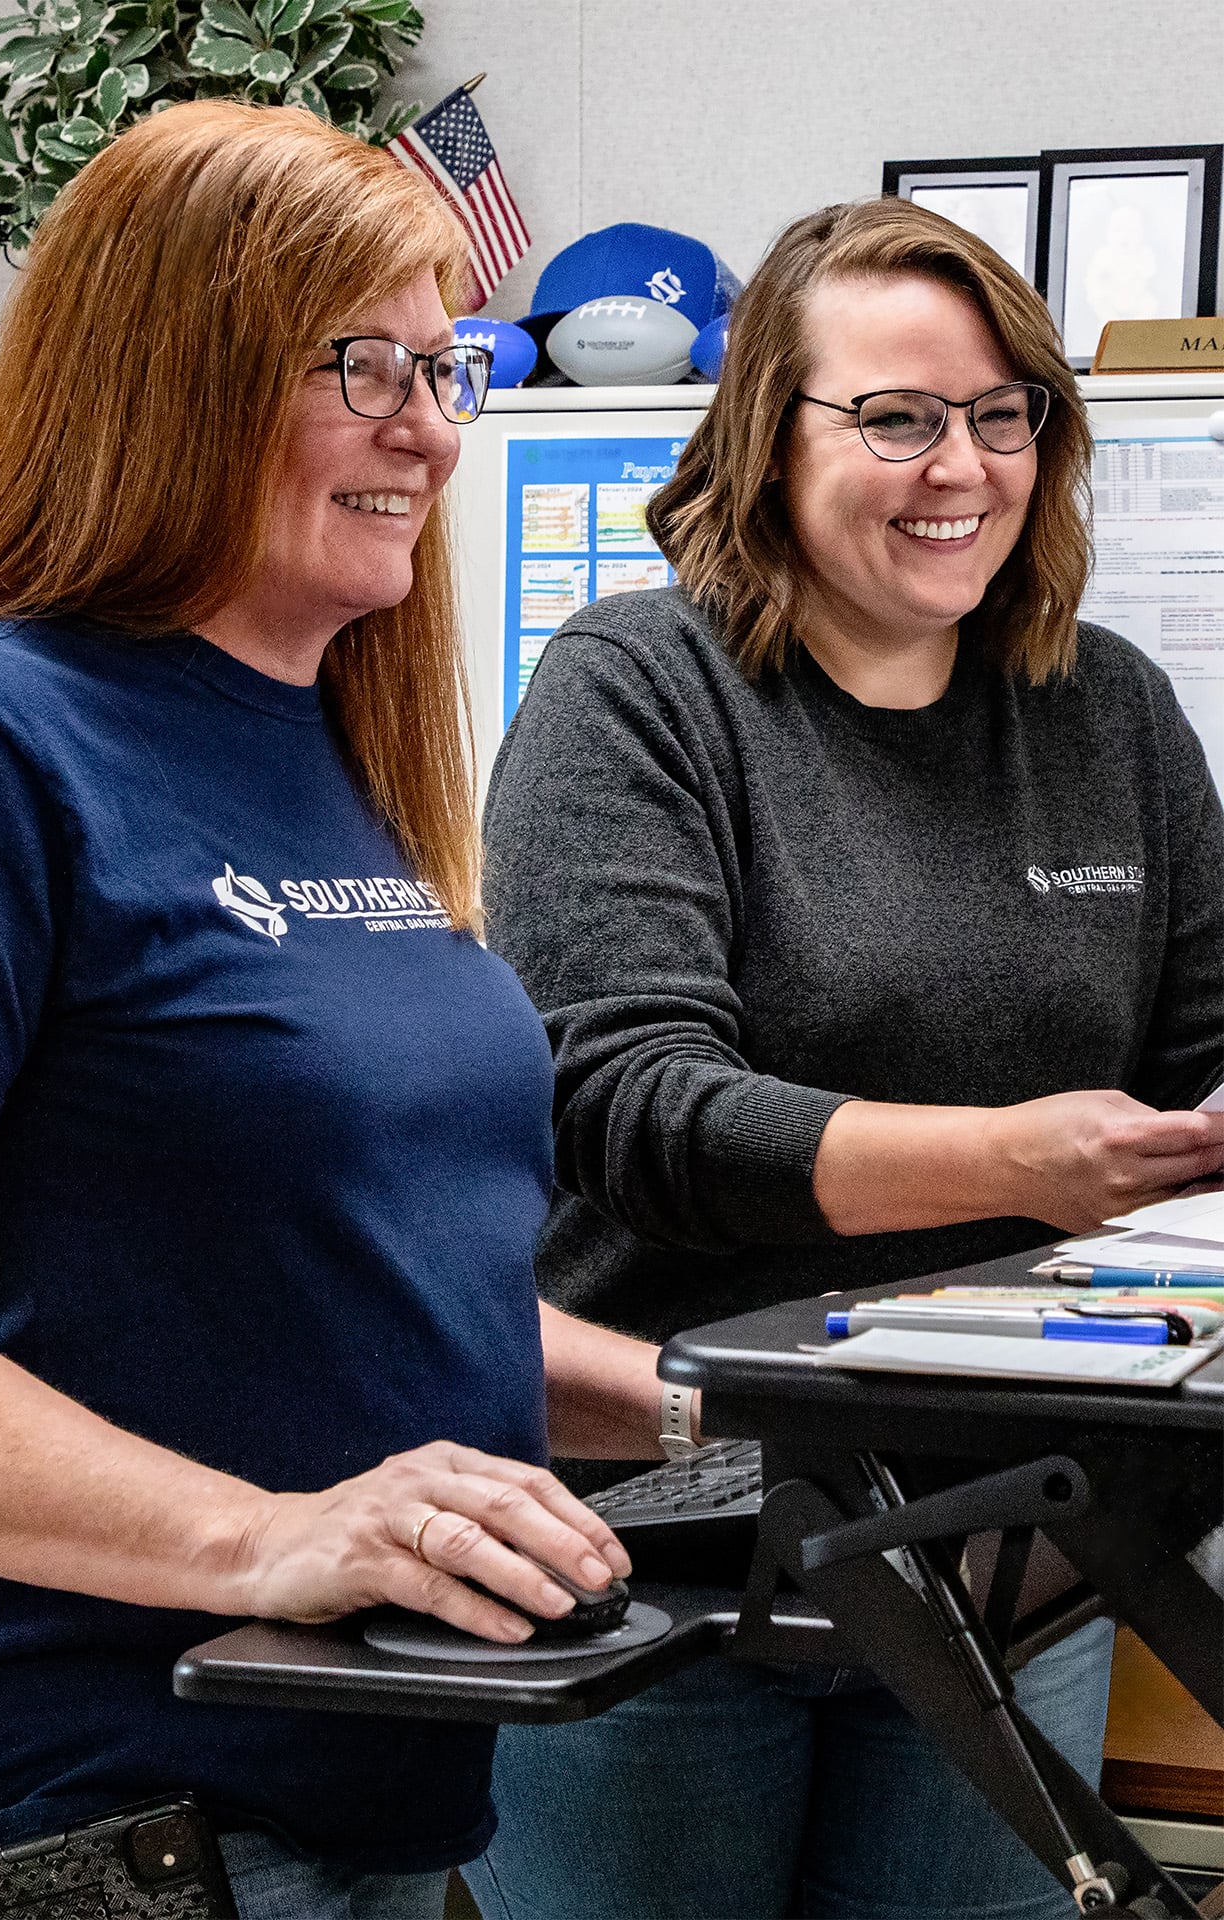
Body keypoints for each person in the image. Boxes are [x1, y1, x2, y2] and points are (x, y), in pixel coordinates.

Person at [0, 102, 676, 1920]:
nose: (430, 429)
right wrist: (269, 1538)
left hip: (366, 1789)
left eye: (450, 370)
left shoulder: (339, 748)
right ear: (166, 376)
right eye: (368, 366)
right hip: (93, 1811)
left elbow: (364, 1283)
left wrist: (733, 1414)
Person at [463, 198, 1224, 1920]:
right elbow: (632, 1111)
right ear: (765, 438)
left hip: (1019, 1549)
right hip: (660, 1542)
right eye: (894, 417)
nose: (957, 465)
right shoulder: (636, 691)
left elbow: (1204, 1062)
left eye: (999, 413)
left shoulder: (1108, 710)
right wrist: (1012, 1162)